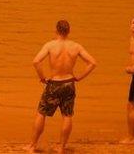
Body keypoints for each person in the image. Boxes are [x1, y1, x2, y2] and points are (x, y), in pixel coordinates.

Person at [25, 20, 97, 154]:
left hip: (54, 83)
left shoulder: (50, 45)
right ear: (68, 31)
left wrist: (42, 77)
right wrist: (80, 77)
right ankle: (61, 148)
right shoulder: (76, 46)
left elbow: (36, 61)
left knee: (41, 113)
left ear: (56, 31)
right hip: (69, 83)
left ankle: (32, 146)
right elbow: (92, 63)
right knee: (67, 115)